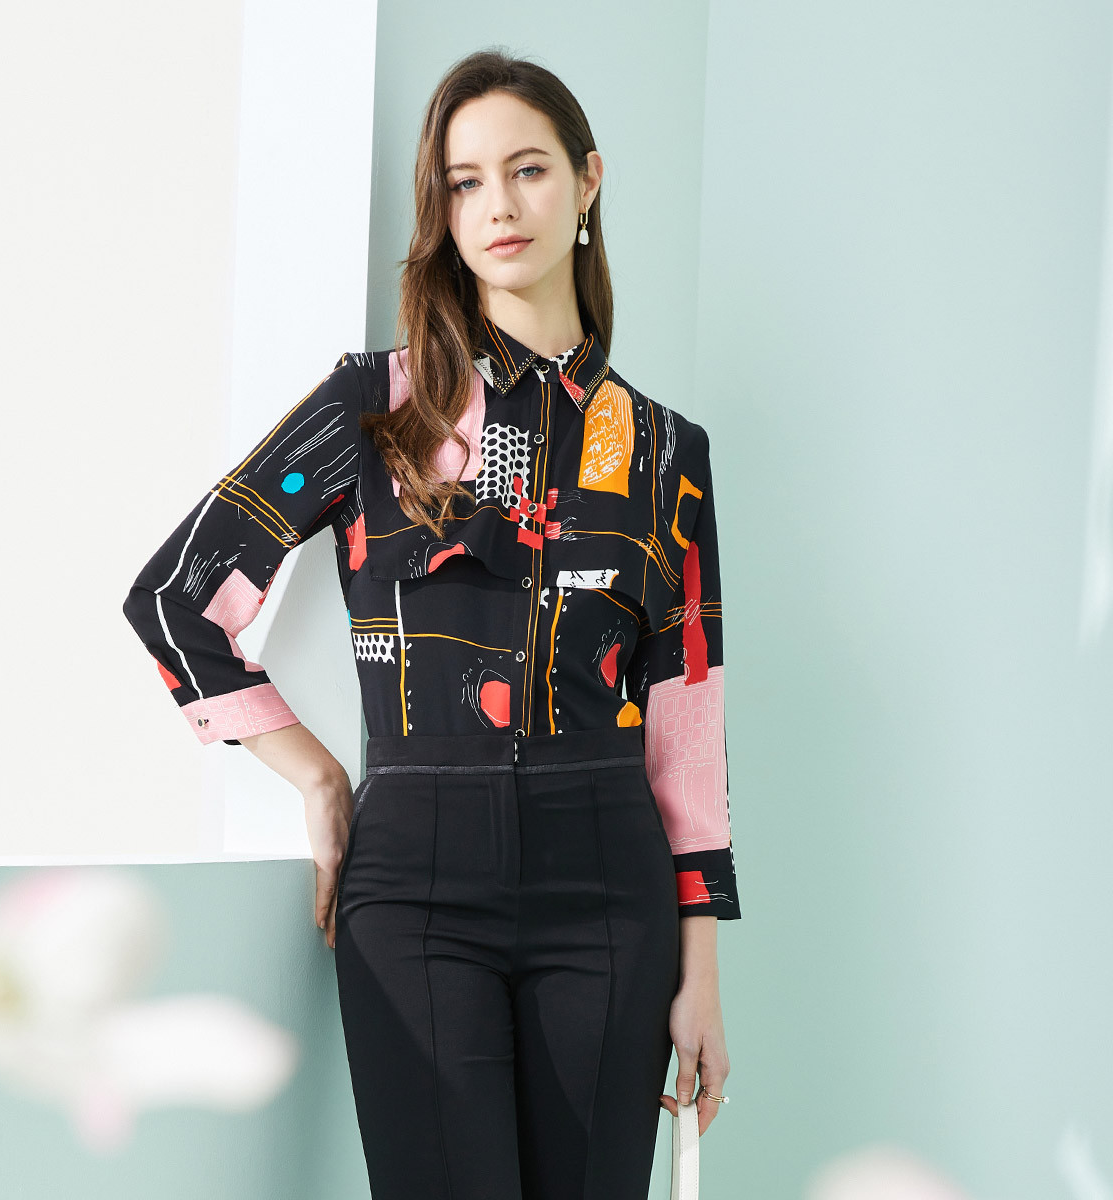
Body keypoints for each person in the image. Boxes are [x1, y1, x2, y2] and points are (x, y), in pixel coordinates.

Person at [122, 47, 740, 1200]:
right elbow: (174, 600)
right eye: (465, 182)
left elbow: (687, 726)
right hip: (414, 886)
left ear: (588, 181)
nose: (498, 205)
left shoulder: (666, 453)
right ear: (443, 213)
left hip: (610, 889)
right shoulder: (372, 408)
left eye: (527, 170)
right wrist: (316, 775)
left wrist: (701, 971)